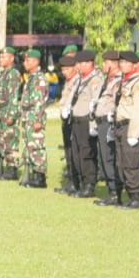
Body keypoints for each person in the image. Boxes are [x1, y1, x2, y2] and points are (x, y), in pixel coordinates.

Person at [112, 51, 139, 209]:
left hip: (131, 127)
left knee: (132, 163)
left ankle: (136, 198)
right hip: (121, 126)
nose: (122, 65)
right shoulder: (125, 81)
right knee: (121, 162)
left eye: (126, 62)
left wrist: (134, 134)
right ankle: (129, 196)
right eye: (121, 62)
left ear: (134, 65)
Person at [69, 50, 102, 198]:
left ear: (91, 63)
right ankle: (82, 182)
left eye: (83, 63)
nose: (80, 66)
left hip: (86, 121)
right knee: (76, 153)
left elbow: (95, 102)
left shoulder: (96, 80)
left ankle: (89, 184)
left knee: (87, 153)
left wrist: (93, 124)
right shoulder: (80, 79)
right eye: (79, 63)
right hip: (76, 120)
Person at [92, 51, 123, 205]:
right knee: (103, 157)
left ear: (113, 64)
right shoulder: (107, 80)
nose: (103, 65)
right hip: (101, 122)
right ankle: (111, 191)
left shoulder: (118, 81)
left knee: (109, 157)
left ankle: (115, 192)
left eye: (105, 62)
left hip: (110, 123)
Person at [17, 48, 50, 188]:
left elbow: (39, 102)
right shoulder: (31, 77)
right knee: (29, 145)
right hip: (27, 116)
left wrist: (37, 120)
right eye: (25, 60)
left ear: (36, 62)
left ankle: (40, 176)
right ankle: (32, 173)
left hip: (34, 117)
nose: (25, 63)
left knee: (36, 146)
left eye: (28, 60)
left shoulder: (39, 79)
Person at [0, 46, 22, 181]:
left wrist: (11, 115)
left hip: (8, 110)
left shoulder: (13, 74)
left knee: (11, 140)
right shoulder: (2, 74)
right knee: (3, 140)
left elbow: (13, 96)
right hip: (1, 111)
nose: (1, 59)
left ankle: (12, 168)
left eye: (4, 57)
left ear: (11, 58)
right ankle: (7, 166)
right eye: (0, 57)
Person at [54, 52, 80, 194]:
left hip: (73, 120)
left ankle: (76, 182)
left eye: (67, 69)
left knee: (74, 152)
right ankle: (71, 181)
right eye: (63, 70)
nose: (65, 72)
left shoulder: (77, 81)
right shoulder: (69, 81)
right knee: (68, 151)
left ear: (75, 68)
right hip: (66, 120)